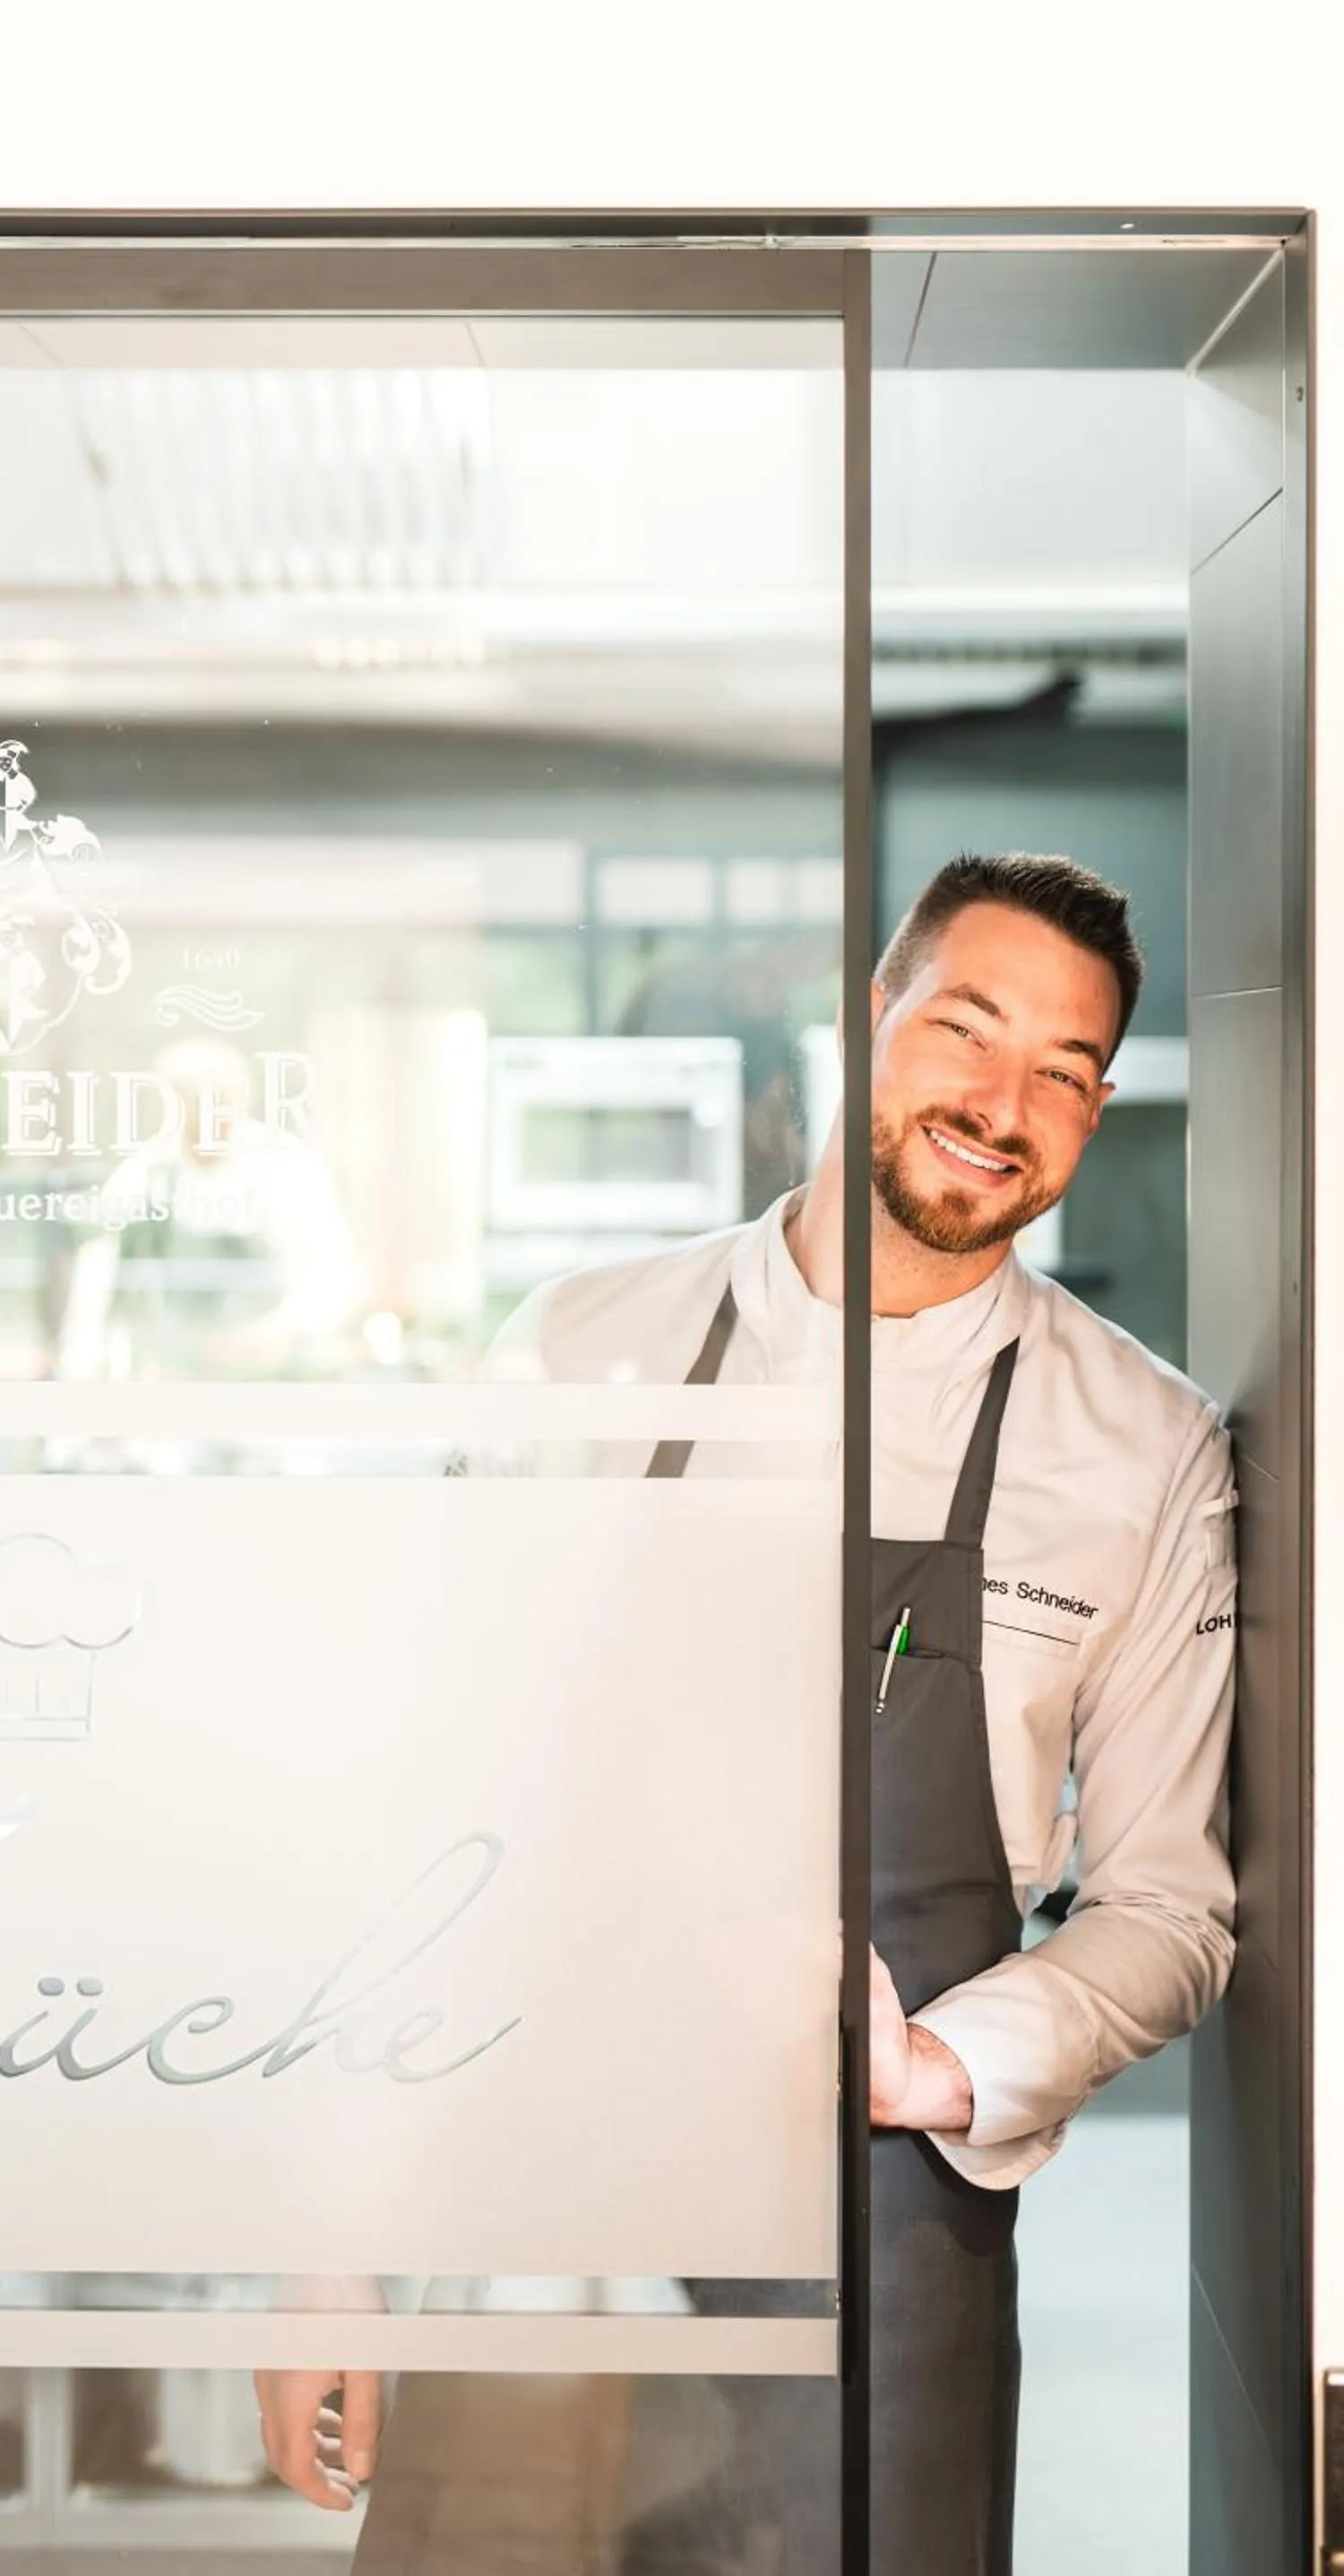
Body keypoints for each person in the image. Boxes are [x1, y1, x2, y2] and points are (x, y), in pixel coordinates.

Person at [254, 853, 1238, 2576]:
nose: (1006, 1106)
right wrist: (331, 2236)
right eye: (967, 1032)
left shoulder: (1142, 1447)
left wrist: (950, 2062)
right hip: (552, 2197)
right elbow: (414, 1825)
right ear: (869, 1022)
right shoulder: (578, 1351)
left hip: (893, 2236)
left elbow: (1169, 1907)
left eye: (1067, 1076)